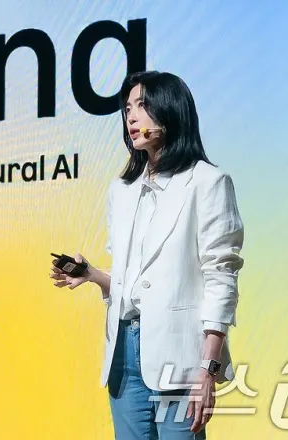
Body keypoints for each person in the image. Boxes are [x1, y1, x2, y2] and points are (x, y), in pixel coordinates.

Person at [50, 71, 244, 439]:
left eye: (142, 106)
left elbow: (222, 280)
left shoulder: (208, 182)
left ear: (171, 110)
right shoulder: (121, 190)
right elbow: (134, 281)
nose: (132, 117)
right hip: (123, 352)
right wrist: (91, 275)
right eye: (127, 109)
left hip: (180, 355)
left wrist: (209, 368)